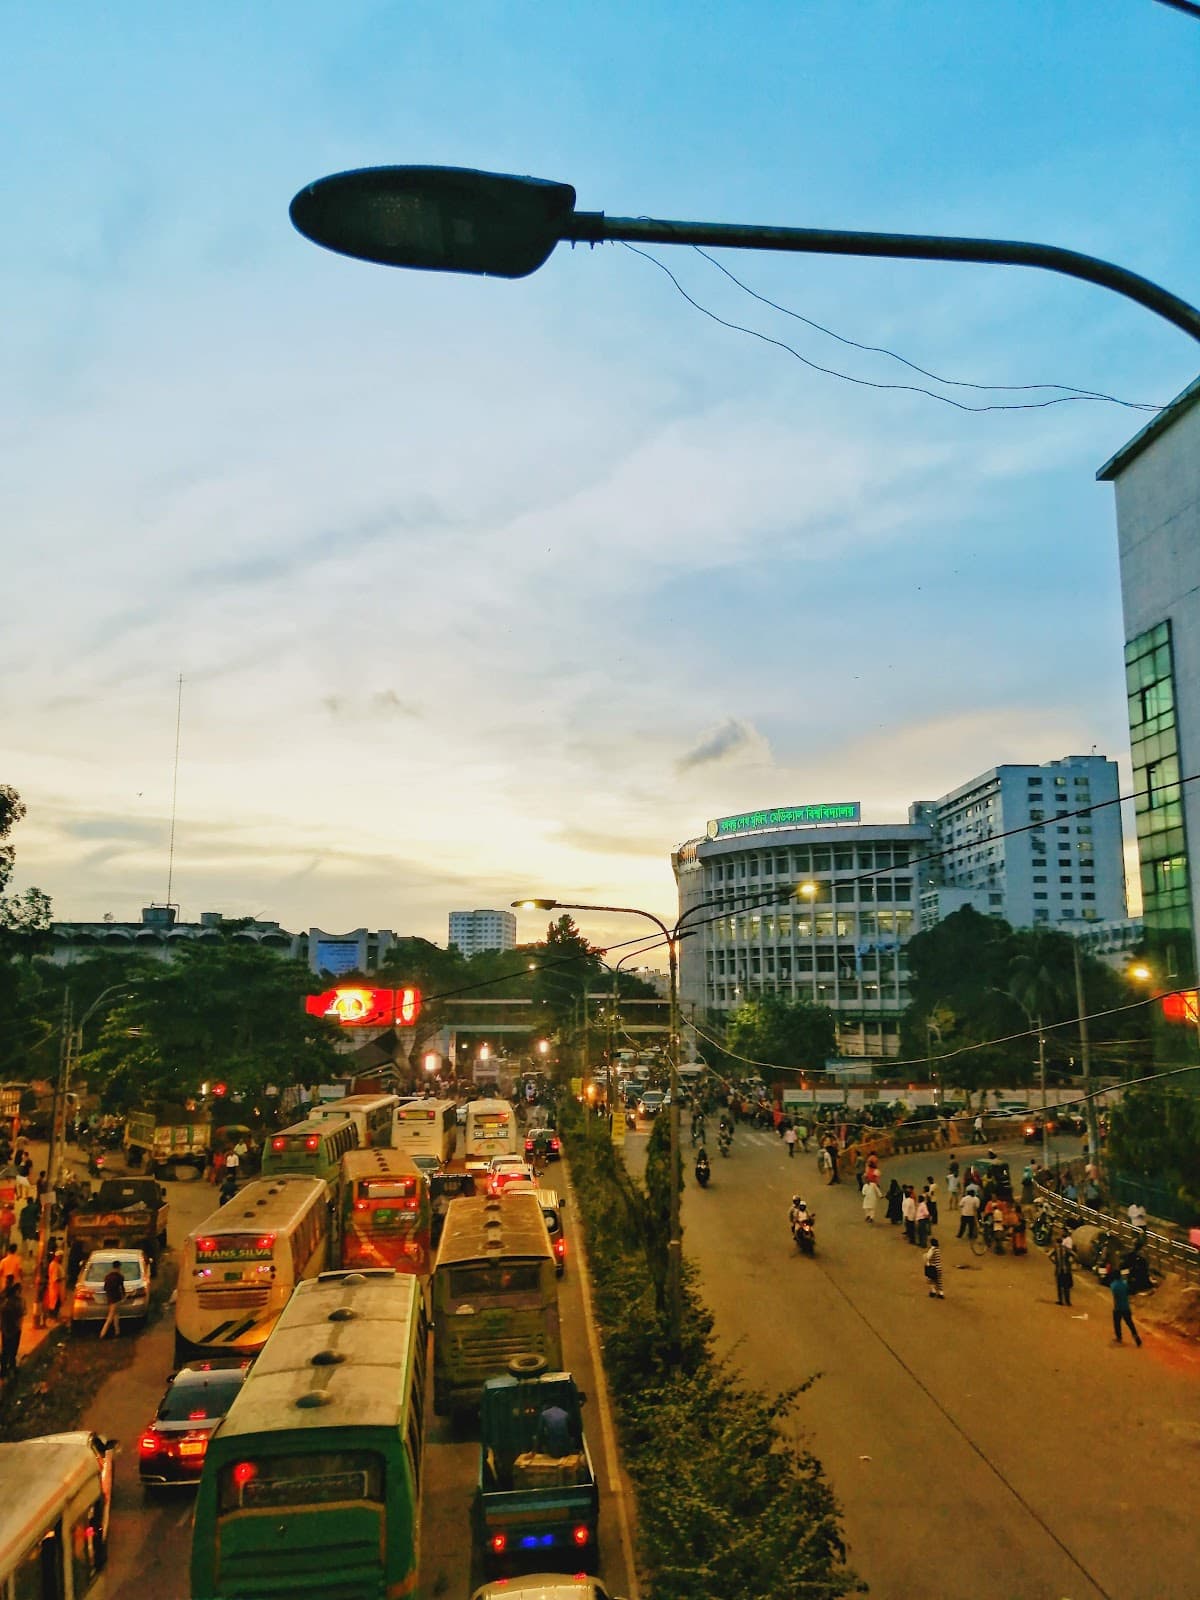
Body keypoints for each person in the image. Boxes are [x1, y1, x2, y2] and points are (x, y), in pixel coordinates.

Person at [1110, 1271, 1142, 1347]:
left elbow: (1114, 1294)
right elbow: (1129, 1291)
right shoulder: (1124, 1284)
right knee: (1130, 1323)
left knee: (1117, 1323)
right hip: (1126, 1307)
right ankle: (1136, 1337)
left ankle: (1119, 1337)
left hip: (1118, 1307)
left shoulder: (1113, 1285)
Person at [0, 1281, 23, 1379]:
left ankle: (7, 1368)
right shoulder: (11, 1303)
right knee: (10, 1350)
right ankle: (7, 1368)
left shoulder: (9, 1303)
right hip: (11, 1329)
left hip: (10, 1330)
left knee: (8, 1350)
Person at [99, 1260, 126, 1339]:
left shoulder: (107, 1277)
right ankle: (102, 1334)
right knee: (111, 1316)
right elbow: (122, 1289)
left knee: (116, 1315)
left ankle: (117, 1331)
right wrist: (123, 1296)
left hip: (110, 1298)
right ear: (118, 1267)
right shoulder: (119, 1277)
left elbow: (105, 1288)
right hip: (117, 1299)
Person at [1051, 1233, 1074, 1306]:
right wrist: (1070, 1262)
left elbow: (1049, 1255)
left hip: (1059, 1271)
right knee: (1066, 1287)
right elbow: (1075, 1255)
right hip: (1066, 1270)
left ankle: (1061, 1301)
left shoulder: (1055, 1249)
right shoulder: (1066, 1249)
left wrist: (1054, 1262)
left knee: (1059, 1286)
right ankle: (1068, 1301)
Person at [43, 1250, 64, 1323]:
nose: (62, 1259)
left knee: (56, 1302)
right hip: (55, 1288)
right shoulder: (54, 1265)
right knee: (55, 1303)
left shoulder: (57, 1264)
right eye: (61, 1257)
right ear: (57, 1257)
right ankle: (53, 1317)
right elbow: (55, 1278)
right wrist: (62, 1279)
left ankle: (54, 1316)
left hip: (57, 1288)